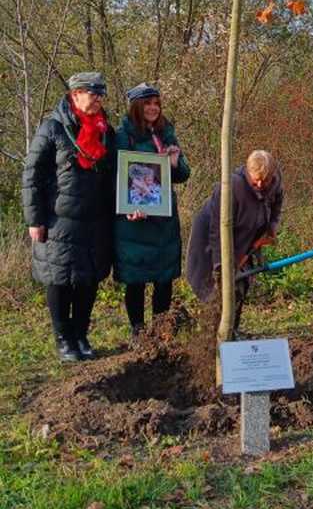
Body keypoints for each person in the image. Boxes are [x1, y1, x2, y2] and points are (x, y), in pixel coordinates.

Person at [22, 72, 116, 362]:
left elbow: (115, 174)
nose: (98, 98)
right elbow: (32, 175)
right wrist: (34, 219)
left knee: (88, 281)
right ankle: (64, 339)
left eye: (100, 93)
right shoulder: (52, 128)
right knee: (60, 280)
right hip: (57, 221)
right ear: (75, 95)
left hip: (95, 220)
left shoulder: (106, 131)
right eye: (92, 92)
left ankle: (81, 334)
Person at [114, 83, 190, 335]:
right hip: (134, 221)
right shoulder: (123, 135)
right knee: (135, 279)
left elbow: (183, 174)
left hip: (163, 220)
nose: (153, 108)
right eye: (147, 103)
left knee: (164, 277)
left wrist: (175, 163)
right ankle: (138, 331)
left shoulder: (167, 133)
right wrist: (128, 207)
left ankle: (160, 330)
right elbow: (116, 175)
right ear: (137, 106)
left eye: (156, 103)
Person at [186, 150, 283, 335]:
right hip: (211, 240)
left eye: (266, 180)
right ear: (247, 172)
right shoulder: (231, 187)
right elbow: (216, 230)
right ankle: (214, 334)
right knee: (217, 289)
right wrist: (220, 266)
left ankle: (232, 330)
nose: (261, 185)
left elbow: (277, 206)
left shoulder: (275, 183)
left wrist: (271, 227)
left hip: (247, 238)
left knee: (241, 284)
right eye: (256, 180)